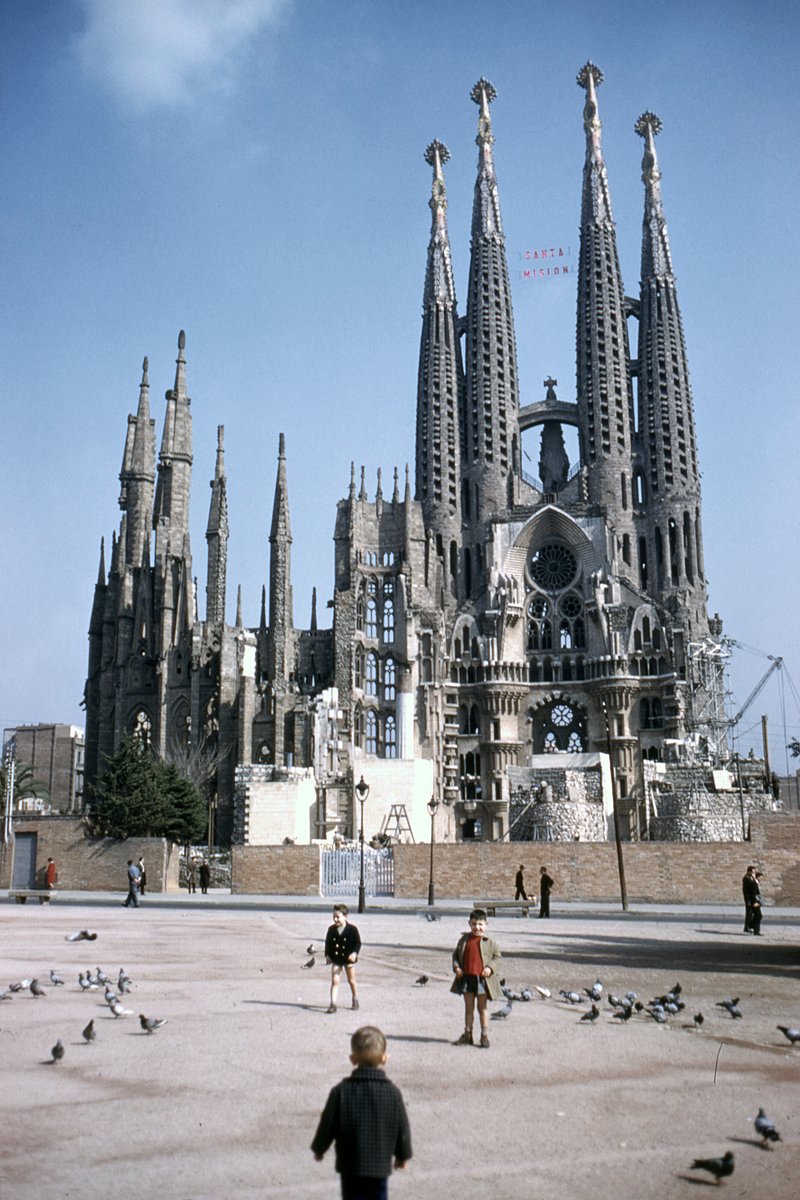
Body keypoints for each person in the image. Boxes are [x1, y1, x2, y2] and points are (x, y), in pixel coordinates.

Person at [311, 1025, 412, 1200]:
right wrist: (402, 1156)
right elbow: (401, 1127)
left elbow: (327, 1124)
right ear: (384, 1058)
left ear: (352, 1059)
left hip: (351, 1166)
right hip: (379, 1167)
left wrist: (320, 1148)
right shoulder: (392, 1093)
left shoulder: (340, 1091)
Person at [450, 907, 502, 1048]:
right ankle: (468, 1034)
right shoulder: (464, 940)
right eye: (474, 924)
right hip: (467, 978)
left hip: (482, 980)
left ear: (486, 924)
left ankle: (484, 1036)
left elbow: (497, 957)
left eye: (480, 924)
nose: (477, 927)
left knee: (482, 1008)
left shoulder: (489, 942)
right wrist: (457, 967)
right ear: (469, 924)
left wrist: (489, 968)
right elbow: (455, 955)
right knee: (468, 1008)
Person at [324, 904, 362, 1013]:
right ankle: (333, 1003)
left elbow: (358, 943)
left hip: (348, 959)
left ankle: (355, 998)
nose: (335, 919)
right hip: (336, 958)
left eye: (338, 917)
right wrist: (327, 955)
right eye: (334, 917)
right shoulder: (331, 930)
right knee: (335, 981)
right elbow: (328, 943)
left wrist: (354, 953)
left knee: (351, 980)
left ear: (346, 916)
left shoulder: (352, 929)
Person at [742, 864, 758, 933]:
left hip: (751, 898)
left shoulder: (750, 878)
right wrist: (755, 879)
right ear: (749, 871)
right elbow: (752, 886)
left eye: (754, 872)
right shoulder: (746, 878)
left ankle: (749, 926)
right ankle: (747, 927)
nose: (753, 873)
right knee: (749, 913)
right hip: (748, 898)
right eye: (752, 872)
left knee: (751, 913)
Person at [751, 871, 765, 936]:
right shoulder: (754, 883)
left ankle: (753, 927)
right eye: (761, 878)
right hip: (755, 902)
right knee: (758, 915)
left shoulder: (756, 883)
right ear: (758, 877)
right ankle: (755, 930)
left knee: (758, 916)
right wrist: (755, 902)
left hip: (756, 902)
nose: (761, 879)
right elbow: (753, 894)